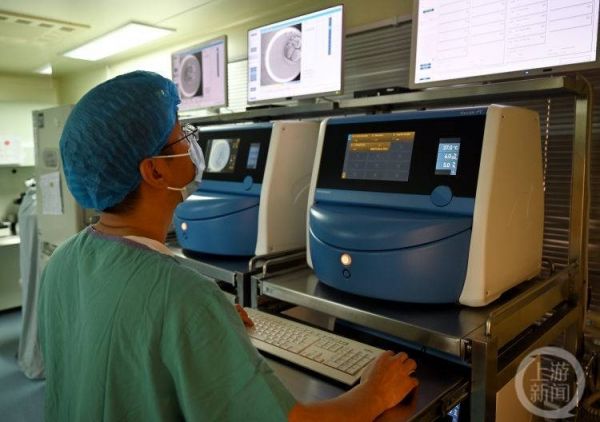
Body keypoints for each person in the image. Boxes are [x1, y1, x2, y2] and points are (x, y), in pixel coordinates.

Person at [38, 70, 418, 421]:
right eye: (181, 134)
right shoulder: (183, 296)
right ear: (155, 170)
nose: (192, 142)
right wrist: (374, 393)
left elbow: (116, 350)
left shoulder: (62, 262)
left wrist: (207, 325)